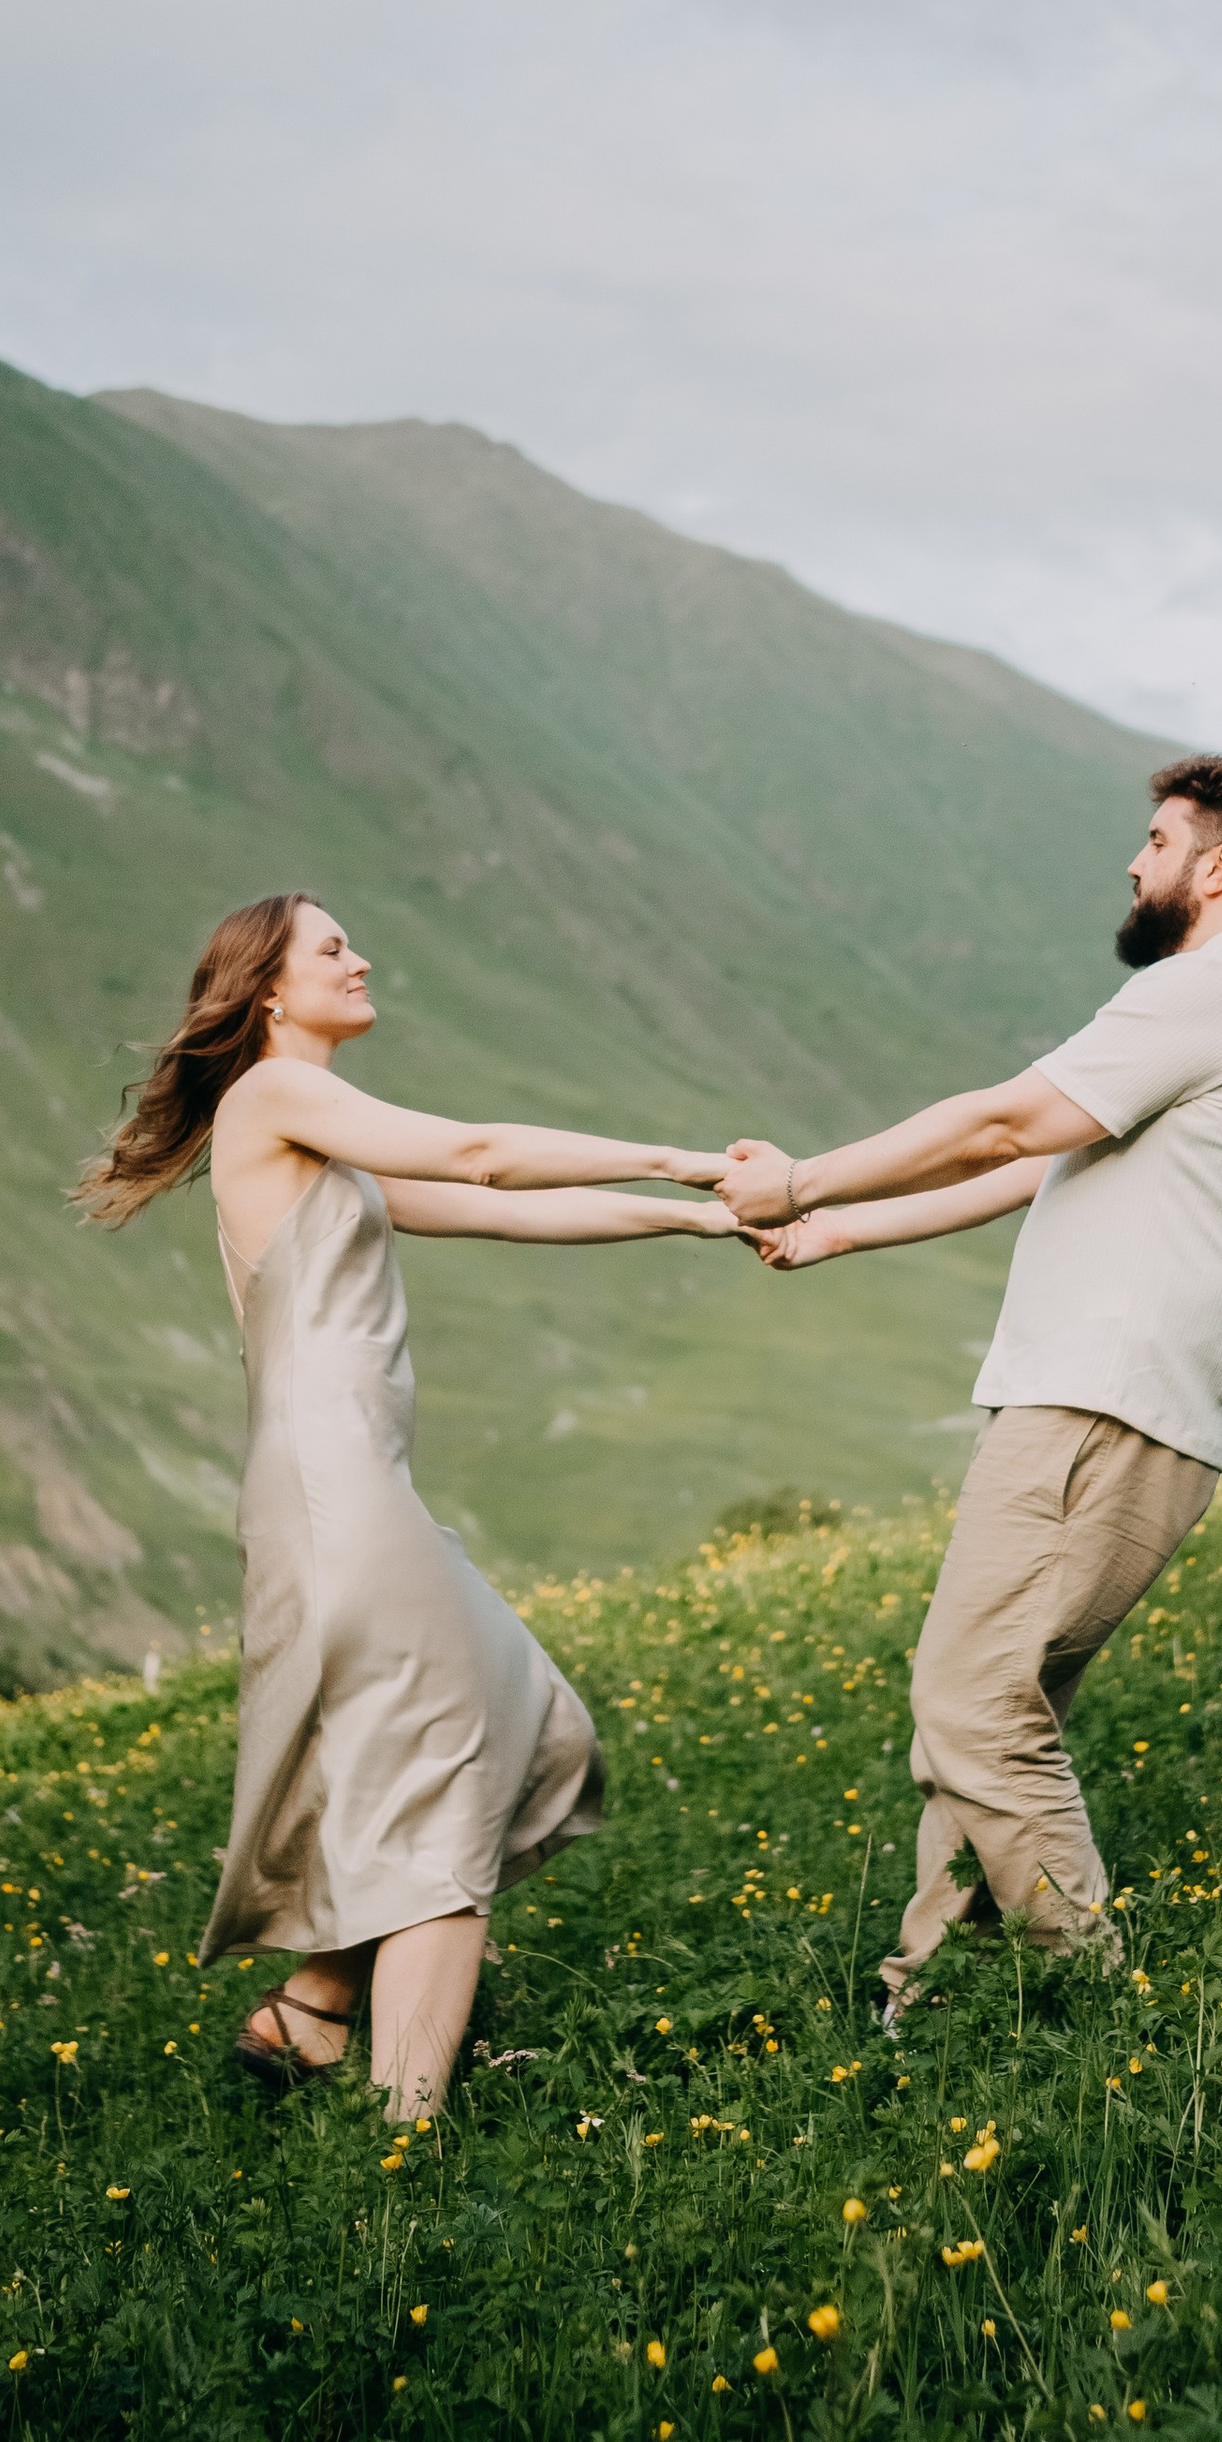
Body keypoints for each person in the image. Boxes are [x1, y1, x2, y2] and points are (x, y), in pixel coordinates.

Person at [75, 889, 733, 2116]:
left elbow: (495, 1205)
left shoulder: (321, 1140)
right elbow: (480, 1150)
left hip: (353, 1487)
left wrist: (705, 1221)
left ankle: (314, 2009)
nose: (361, 957)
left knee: (535, 1724)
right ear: (268, 988)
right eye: (333, 946)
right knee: (448, 1775)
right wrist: (683, 1153)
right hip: (333, 1493)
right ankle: (405, 2142)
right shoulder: (273, 1096)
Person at [728, 752, 1222, 2015]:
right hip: (1110, 1412)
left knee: (966, 1702)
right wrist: (842, 1231)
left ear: (1217, 866)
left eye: (1156, 839)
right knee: (982, 1722)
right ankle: (928, 2010)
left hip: (1096, 1412)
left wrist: (803, 1180)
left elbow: (1004, 1121)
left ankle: (1106, 2017)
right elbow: (1035, 1162)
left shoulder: (1212, 993)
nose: (1133, 858)